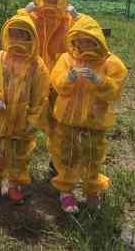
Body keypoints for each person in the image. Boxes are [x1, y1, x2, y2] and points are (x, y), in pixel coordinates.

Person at [49, 15, 127, 213]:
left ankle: (92, 190)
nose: (85, 44)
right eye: (81, 39)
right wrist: (69, 77)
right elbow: (57, 83)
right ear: (74, 39)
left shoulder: (112, 63)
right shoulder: (66, 59)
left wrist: (99, 80)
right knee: (67, 153)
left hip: (95, 121)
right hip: (68, 119)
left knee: (93, 155)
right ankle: (66, 191)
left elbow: (115, 90)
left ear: (98, 39)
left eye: (89, 40)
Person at [0, 12, 49, 203]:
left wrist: (33, 119)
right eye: (14, 33)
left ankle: (13, 184)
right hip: (0, 118)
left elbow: (41, 95)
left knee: (19, 154)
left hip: (22, 120)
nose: (17, 38)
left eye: (22, 34)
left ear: (31, 37)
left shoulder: (37, 65)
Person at [24, 0, 80, 177]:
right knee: (25, 119)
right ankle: (18, 166)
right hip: (32, 76)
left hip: (59, 79)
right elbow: (14, 30)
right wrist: (24, 12)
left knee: (58, 122)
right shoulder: (32, 17)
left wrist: (77, 17)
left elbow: (85, 35)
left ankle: (55, 165)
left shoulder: (67, 19)